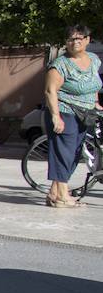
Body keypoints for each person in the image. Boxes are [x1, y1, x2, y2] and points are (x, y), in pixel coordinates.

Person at [43, 25, 100, 209]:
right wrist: (55, 116)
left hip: (85, 113)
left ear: (87, 40)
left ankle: (54, 193)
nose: (75, 42)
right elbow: (50, 91)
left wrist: (95, 102)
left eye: (79, 38)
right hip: (64, 111)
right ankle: (62, 197)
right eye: (71, 39)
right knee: (63, 153)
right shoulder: (60, 64)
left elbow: (94, 83)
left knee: (74, 153)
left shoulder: (94, 59)